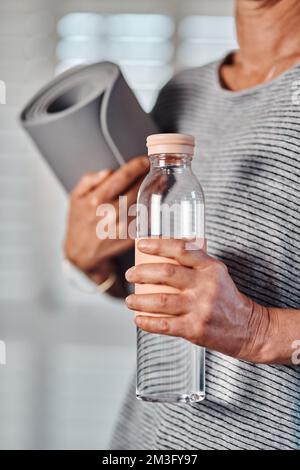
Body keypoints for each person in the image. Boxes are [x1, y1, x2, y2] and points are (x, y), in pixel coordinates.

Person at [64, 0, 300, 450]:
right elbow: (171, 296)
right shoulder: (183, 91)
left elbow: (236, 318)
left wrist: (260, 330)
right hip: (144, 437)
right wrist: (92, 262)